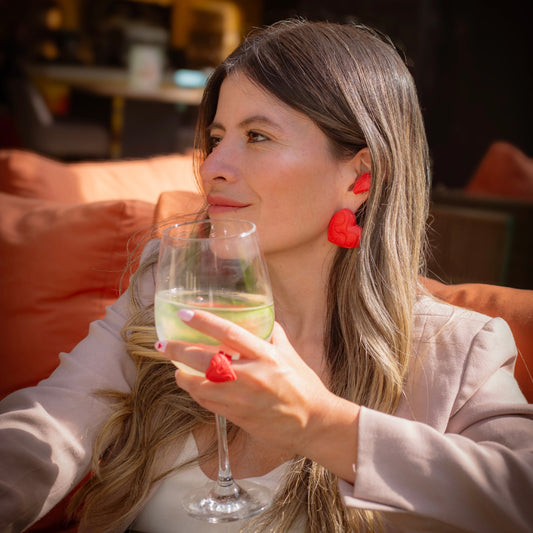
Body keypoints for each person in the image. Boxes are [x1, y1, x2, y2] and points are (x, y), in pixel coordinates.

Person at [1, 18, 532, 533]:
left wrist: (318, 423)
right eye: (217, 137)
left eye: (257, 136)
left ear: (362, 176)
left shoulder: (457, 351)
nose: (212, 166)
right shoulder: (169, 285)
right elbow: (49, 427)